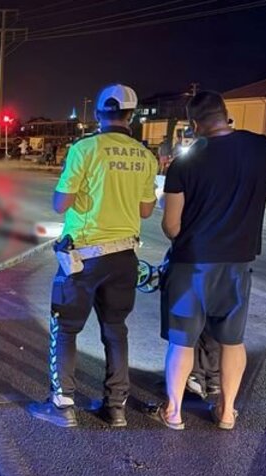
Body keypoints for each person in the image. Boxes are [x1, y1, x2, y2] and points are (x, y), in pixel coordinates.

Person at [157, 91, 266, 430]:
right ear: (226, 114)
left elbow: (171, 226)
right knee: (232, 340)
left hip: (192, 263)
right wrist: (265, 190)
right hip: (238, 263)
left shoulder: (185, 162)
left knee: (182, 340)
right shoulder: (262, 148)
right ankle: (227, 412)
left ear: (195, 124)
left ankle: (174, 412)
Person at [28, 84, 159, 429]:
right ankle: (116, 408)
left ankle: (62, 404)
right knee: (116, 329)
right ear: (131, 115)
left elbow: (61, 204)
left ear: (99, 113)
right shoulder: (145, 156)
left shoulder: (84, 149)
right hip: (125, 256)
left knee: (65, 329)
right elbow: (146, 210)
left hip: (84, 257)